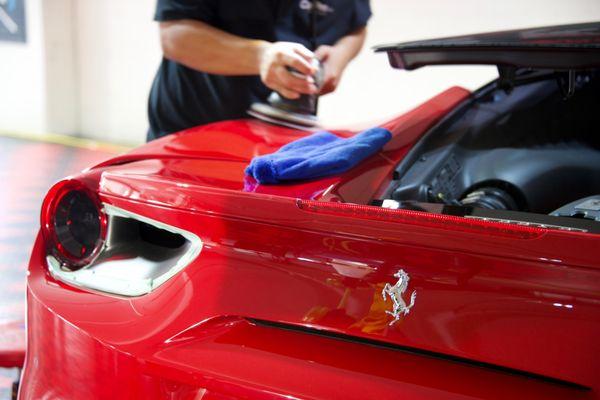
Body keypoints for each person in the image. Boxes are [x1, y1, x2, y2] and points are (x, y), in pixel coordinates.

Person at [147, 0, 371, 141]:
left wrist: (340, 55)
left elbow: (357, 26)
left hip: (285, 145)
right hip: (187, 141)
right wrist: (261, 56)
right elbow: (175, 36)